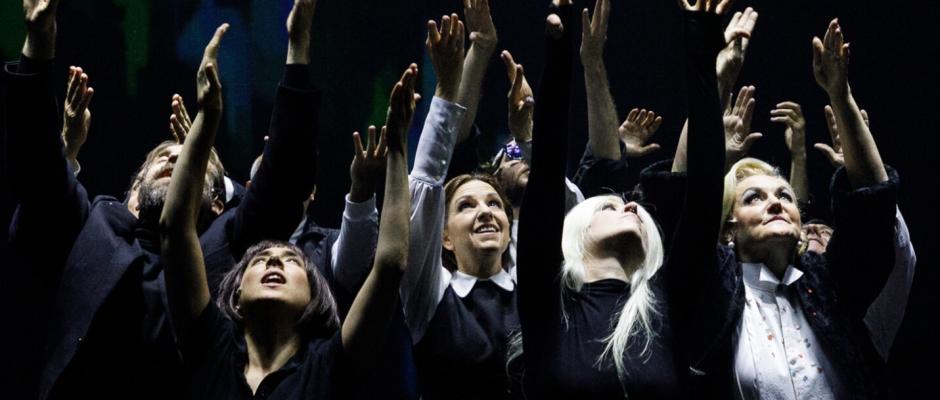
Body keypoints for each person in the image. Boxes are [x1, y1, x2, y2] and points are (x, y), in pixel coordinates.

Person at [4, 1, 320, 397]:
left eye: (188, 162)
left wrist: (298, 49)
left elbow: (285, 181)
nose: (173, 156)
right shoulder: (94, 227)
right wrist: (37, 44)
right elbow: (38, 175)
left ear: (218, 203)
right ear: (134, 194)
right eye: (160, 158)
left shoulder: (229, 248)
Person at [158, 33, 417, 397]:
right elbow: (174, 230)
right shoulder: (209, 349)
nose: (273, 262)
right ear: (235, 293)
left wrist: (397, 149)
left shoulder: (331, 365)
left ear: (314, 294)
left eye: (291, 260)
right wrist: (207, 118)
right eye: (259, 259)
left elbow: (390, 263)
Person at [671, 18, 899, 399]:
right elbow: (681, 196)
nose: (776, 201)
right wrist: (717, 82)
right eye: (753, 198)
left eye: (785, 196)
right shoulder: (709, 291)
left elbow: (872, 202)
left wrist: (840, 96)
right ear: (728, 228)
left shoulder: (829, 286)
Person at [513, 0, 690, 397]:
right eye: (608, 205)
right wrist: (558, 53)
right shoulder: (550, 305)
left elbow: (700, 195)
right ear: (575, 228)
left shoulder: (665, 311)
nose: (629, 205)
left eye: (636, 210)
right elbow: (544, 178)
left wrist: (704, 62)